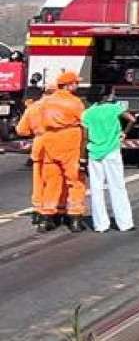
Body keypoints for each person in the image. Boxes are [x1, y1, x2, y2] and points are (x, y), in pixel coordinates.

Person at [15, 70, 87, 231]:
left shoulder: (42, 104)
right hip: (69, 142)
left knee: (51, 181)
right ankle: (75, 216)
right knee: (75, 181)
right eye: (76, 83)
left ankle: (45, 217)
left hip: (48, 143)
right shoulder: (75, 102)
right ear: (69, 85)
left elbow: (24, 128)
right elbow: (85, 122)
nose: (78, 85)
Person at [81, 86, 135, 232]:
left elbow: (85, 137)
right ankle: (125, 223)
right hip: (112, 151)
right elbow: (131, 119)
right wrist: (124, 133)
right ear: (105, 97)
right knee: (117, 186)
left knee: (96, 188)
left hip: (94, 153)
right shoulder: (115, 108)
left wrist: (82, 158)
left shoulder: (87, 114)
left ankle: (100, 225)